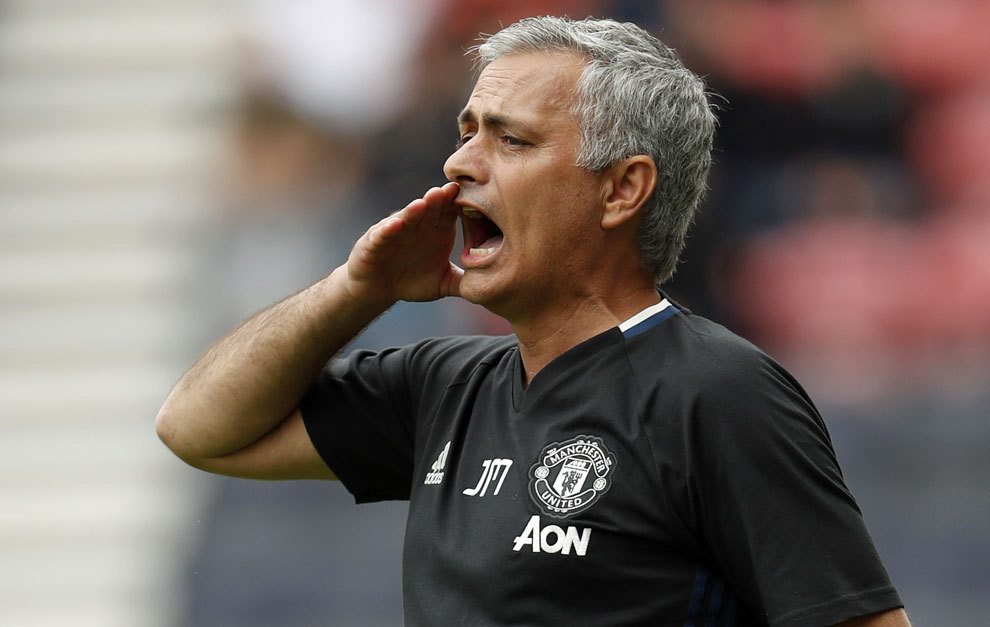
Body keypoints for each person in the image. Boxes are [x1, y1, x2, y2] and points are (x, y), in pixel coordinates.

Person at [157, 16, 910, 626]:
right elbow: (197, 428)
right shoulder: (445, 385)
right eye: (467, 132)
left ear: (622, 190)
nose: (459, 165)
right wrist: (355, 289)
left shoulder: (718, 392)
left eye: (511, 139)